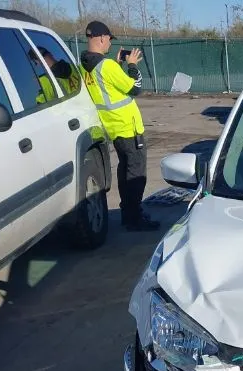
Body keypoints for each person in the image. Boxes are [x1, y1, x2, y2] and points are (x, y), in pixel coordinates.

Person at [80, 21, 159, 231]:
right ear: (102, 38)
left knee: (125, 172)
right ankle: (134, 218)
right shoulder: (106, 66)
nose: (109, 45)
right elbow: (135, 88)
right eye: (108, 40)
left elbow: (110, 89)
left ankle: (128, 214)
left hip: (113, 128)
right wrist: (132, 65)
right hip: (128, 127)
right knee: (136, 175)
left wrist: (119, 67)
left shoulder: (85, 66)